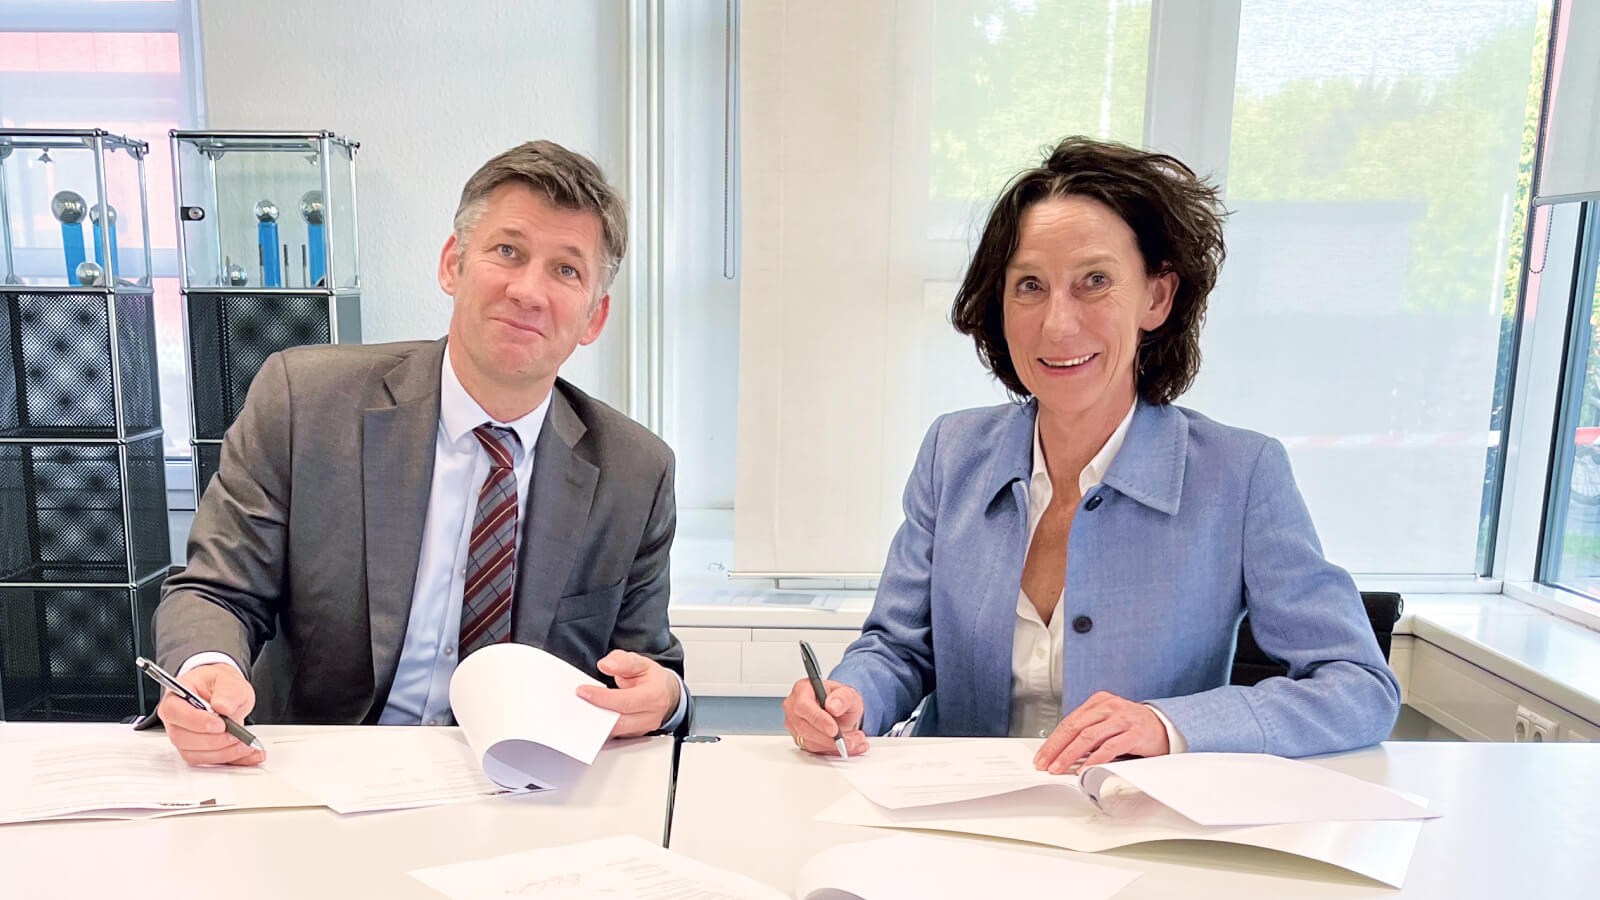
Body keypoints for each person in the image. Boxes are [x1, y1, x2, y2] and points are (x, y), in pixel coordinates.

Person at [783, 136, 1400, 771]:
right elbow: (898, 647)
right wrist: (852, 695)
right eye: (1029, 285)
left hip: (1137, 826)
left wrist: (1169, 725)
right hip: (958, 819)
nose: (1056, 324)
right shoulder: (953, 450)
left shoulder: (1238, 474)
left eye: (1094, 282)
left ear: (1156, 299)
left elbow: (1357, 687)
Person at [145, 140, 686, 766]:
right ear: (453, 264)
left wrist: (663, 696)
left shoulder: (635, 471)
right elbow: (216, 591)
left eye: (567, 270)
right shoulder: (306, 403)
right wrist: (208, 670)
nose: (528, 291)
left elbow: (651, 668)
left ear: (595, 316)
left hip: (524, 787)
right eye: (507, 251)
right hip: (321, 769)